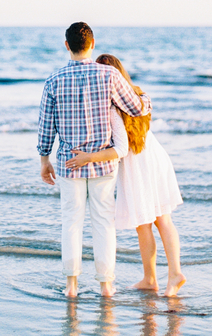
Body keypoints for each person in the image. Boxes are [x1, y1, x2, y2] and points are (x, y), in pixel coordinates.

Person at [37, 23, 151, 298]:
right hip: (103, 163)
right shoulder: (109, 75)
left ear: (67, 45)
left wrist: (44, 159)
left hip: (69, 162)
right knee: (103, 223)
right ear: (93, 44)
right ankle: (106, 286)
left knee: (71, 222)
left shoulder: (54, 80)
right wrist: (145, 97)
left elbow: (45, 126)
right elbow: (136, 107)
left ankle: (71, 286)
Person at [66, 54, 185, 297]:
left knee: (144, 225)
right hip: (156, 157)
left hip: (137, 165)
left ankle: (154, 278)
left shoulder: (112, 106)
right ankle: (170, 274)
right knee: (164, 219)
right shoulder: (138, 95)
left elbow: (119, 148)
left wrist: (87, 156)